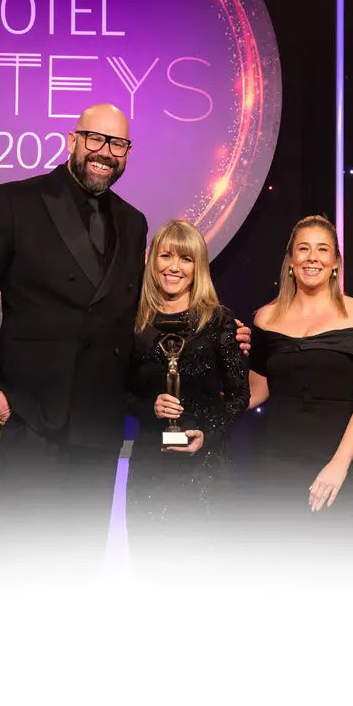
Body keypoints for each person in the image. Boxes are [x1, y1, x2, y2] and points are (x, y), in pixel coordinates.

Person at [0, 104, 250, 573]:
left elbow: (141, 313)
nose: (106, 153)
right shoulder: (14, 201)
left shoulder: (133, 222)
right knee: (23, 564)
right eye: (96, 139)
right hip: (33, 416)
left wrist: (216, 331)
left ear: (127, 153)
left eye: (118, 144)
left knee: (83, 568)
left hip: (99, 425)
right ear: (73, 140)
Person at [247, 215, 353, 538]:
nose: (313, 257)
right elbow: (255, 392)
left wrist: (339, 464)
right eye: (304, 248)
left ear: (335, 261)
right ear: (291, 260)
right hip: (275, 464)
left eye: (323, 249)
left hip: (339, 463)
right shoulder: (265, 317)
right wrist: (199, 406)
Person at [125, 220, 249, 561]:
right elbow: (116, 391)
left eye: (186, 258)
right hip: (151, 467)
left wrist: (207, 434)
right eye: (166, 256)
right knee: (150, 567)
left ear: (198, 267)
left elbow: (240, 396)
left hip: (206, 467)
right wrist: (149, 406)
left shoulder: (219, 321)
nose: (174, 267)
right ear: (152, 260)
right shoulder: (133, 321)